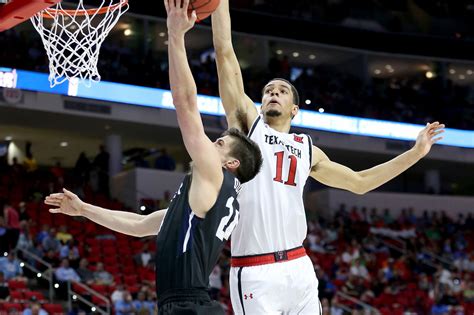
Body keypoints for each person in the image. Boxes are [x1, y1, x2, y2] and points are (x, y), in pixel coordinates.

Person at [211, 1, 445, 313]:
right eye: (268, 90)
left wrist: (415, 153)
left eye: (281, 90)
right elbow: (225, 52)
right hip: (254, 270)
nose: (272, 93)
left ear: (295, 109)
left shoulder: (308, 149)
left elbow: (360, 183)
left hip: (298, 267)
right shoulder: (247, 130)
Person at [44, 1, 262, 314]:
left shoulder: (216, 175)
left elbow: (185, 104)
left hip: (188, 306)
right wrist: (83, 209)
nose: (211, 143)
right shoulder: (209, 200)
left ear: (231, 163)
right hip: (189, 305)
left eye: (219, 143)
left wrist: (175, 36)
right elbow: (140, 224)